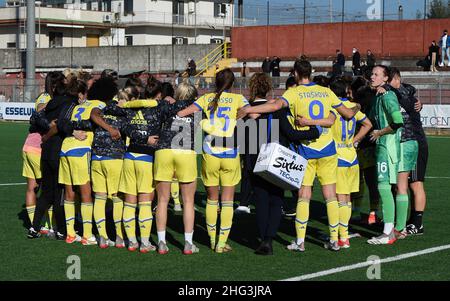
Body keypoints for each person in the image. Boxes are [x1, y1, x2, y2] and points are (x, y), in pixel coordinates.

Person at [238, 60, 357, 252]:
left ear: (295, 73)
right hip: (328, 149)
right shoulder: (326, 91)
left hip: (305, 150)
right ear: (311, 72)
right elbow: (348, 114)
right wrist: (357, 106)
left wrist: (250, 109)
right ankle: (335, 240)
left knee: (304, 195)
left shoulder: (293, 92)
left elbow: (275, 106)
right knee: (330, 195)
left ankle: (300, 241)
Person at [243, 73, 321, 255]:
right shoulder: (277, 109)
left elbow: (241, 138)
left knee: (261, 200)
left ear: (252, 88)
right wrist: (313, 132)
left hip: (255, 158)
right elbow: (292, 134)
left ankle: (264, 240)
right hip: (278, 159)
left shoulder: (246, 110)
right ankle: (269, 238)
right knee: (276, 200)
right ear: (268, 88)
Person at [177, 68, 249, 253]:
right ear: (233, 84)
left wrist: (202, 123)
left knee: (211, 199)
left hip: (210, 152)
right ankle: (221, 243)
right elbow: (253, 114)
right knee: (227, 200)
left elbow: (182, 114)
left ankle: (210, 239)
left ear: (215, 82)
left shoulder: (206, 98)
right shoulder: (239, 99)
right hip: (231, 152)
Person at [59, 80, 119, 245]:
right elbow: (95, 116)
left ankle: (70, 234)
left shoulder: (77, 106)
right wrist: (110, 129)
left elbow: (64, 121)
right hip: (81, 149)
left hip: (65, 148)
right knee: (86, 192)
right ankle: (87, 235)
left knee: (69, 192)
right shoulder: (99, 104)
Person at [152, 82, 200, 255]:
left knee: (162, 201)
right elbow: (200, 136)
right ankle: (188, 243)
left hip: (164, 151)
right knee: (188, 201)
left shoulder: (167, 106)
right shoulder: (197, 109)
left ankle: (162, 242)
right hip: (186, 152)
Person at [378, 68, 427, 236]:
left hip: (414, 142)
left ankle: (417, 223)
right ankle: (402, 222)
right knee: (400, 185)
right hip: (402, 143)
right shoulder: (403, 92)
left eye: (389, 81)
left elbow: (407, 94)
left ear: (396, 79)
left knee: (415, 183)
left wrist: (388, 89)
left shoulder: (402, 95)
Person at [117, 81, 161, 253]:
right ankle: (144, 243)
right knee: (144, 201)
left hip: (129, 156)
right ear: (157, 96)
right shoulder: (158, 109)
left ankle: (132, 242)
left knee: (129, 201)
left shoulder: (131, 108)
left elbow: (126, 128)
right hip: (145, 157)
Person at [328, 79, 372, 248]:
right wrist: (354, 140)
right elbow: (368, 124)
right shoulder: (352, 106)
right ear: (346, 90)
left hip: (337, 156)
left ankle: (342, 236)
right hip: (351, 156)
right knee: (346, 198)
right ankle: (344, 236)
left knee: (339, 198)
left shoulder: (333, 107)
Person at [27, 72, 71, 240]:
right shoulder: (68, 103)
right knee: (59, 193)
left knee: (46, 193)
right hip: (58, 151)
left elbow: (35, 117)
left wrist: (45, 132)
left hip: (45, 151)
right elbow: (62, 125)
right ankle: (60, 230)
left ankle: (34, 228)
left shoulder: (50, 102)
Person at [87, 77, 127, 249]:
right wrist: (112, 129)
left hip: (97, 158)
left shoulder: (100, 108)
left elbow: (93, 114)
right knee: (117, 198)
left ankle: (102, 237)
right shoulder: (121, 109)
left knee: (100, 198)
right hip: (114, 157)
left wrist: (106, 128)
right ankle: (119, 237)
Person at [366, 65, 404, 245]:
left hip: (388, 147)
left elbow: (398, 121)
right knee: (384, 187)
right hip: (383, 147)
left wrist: (379, 133)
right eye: (372, 74)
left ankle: (388, 232)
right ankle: (389, 230)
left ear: (385, 78)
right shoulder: (379, 96)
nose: (372, 77)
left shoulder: (388, 96)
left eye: (376, 74)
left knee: (384, 187)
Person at [22, 73, 56, 236]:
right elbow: (40, 111)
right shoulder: (48, 98)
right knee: (48, 188)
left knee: (31, 187)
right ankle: (48, 226)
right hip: (38, 147)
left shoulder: (42, 96)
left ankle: (34, 224)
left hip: (29, 145)